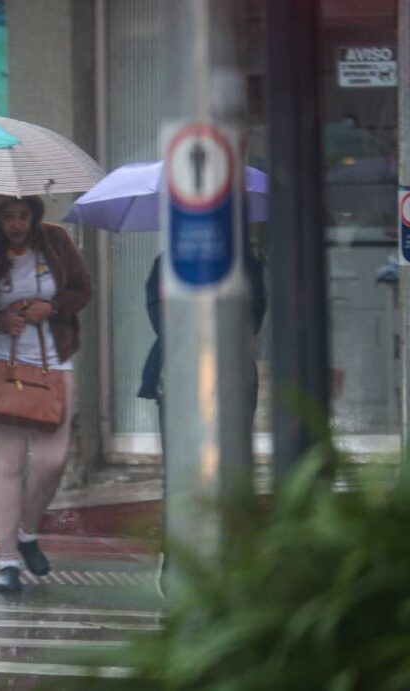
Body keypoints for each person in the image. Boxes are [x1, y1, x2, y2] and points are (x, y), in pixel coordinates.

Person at [0, 193, 93, 595]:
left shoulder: (55, 240)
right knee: (9, 465)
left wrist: (51, 308)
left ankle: (27, 531)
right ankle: (6, 560)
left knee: (53, 460)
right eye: (8, 217)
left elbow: (82, 291)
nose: (17, 224)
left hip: (54, 363)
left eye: (23, 215)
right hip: (0, 363)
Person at [138, 249, 267, 595]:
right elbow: (159, 317)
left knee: (231, 467)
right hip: (178, 374)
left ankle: (231, 553)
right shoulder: (166, 263)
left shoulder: (246, 263)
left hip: (232, 375)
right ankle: (177, 555)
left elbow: (254, 318)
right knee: (179, 471)